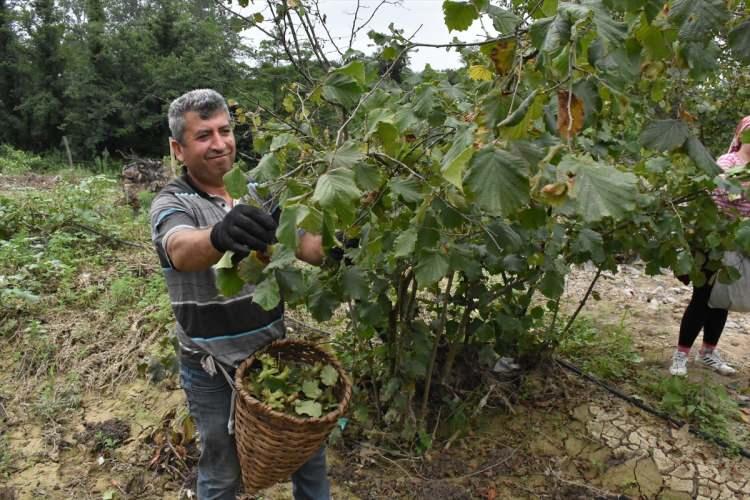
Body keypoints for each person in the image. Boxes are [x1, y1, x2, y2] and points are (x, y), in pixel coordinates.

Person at [149, 89, 330, 500]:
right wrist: (219, 235)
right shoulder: (172, 202)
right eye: (204, 135)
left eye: (225, 130)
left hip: (274, 354)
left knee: (311, 459)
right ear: (178, 149)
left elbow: (308, 246)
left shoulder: (261, 190)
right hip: (211, 366)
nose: (219, 143)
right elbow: (179, 248)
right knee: (221, 471)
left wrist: (342, 242)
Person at [669, 116, 750, 377]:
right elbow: (717, 193)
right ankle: (681, 355)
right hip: (714, 240)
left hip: (741, 243)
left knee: (721, 301)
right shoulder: (728, 162)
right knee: (702, 298)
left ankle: (708, 353)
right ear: (741, 136)